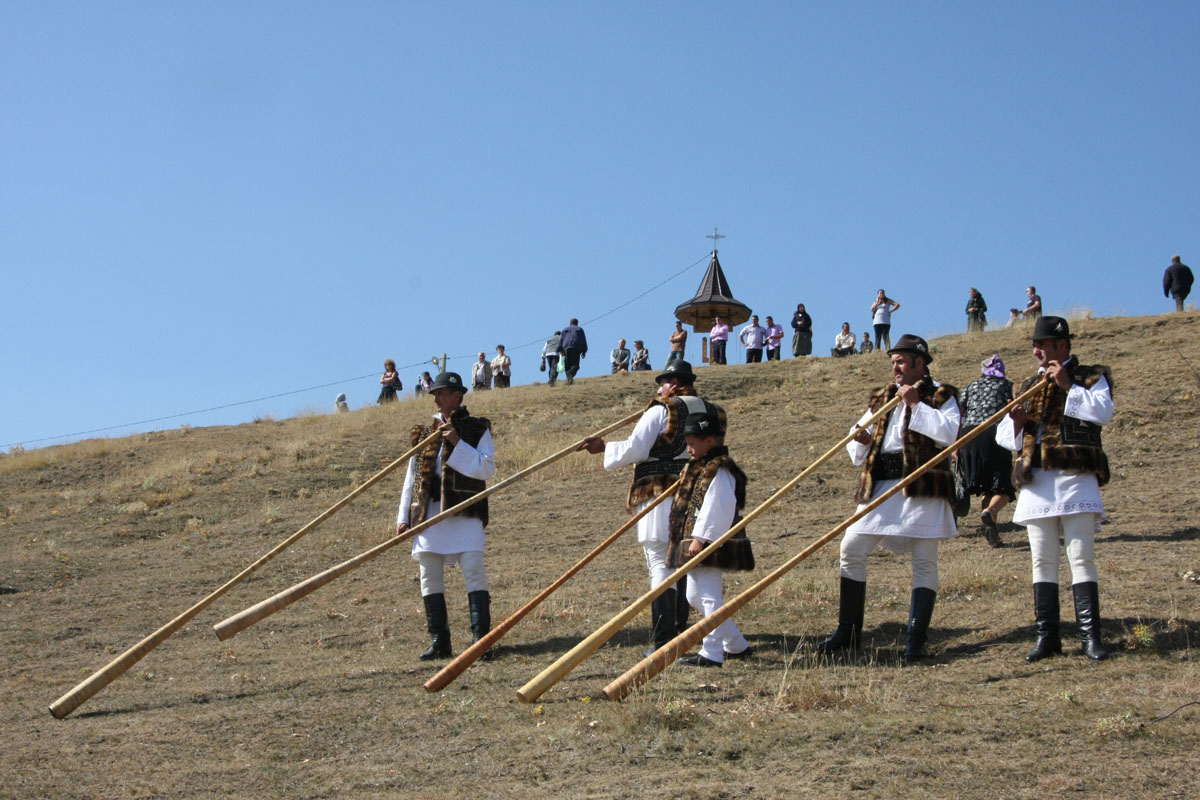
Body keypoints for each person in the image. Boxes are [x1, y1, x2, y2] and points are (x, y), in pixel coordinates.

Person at [815, 334, 960, 664]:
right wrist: (862, 439)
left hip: (921, 486)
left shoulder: (942, 394)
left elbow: (950, 434)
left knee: (924, 561)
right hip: (880, 484)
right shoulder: (881, 397)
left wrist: (914, 404)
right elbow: (855, 442)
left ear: (919, 363)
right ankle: (848, 632)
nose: (895, 367)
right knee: (851, 548)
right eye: (892, 361)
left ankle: (915, 640)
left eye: (900, 361)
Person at [996, 316, 1114, 662]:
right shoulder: (1026, 385)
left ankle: (1090, 637)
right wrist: (1016, 423)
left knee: (1081, 557)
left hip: (1077, 476)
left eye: (1043, 345)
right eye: (1035, 345)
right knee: (1042, 560)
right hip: (1037, 482)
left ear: (1062, 346)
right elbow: (1006, 438)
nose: (1037, 351)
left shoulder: (1091, 376)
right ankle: (1047, 636)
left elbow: (1103, 412)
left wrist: (1068, 387)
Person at [577, 361, 708, 654]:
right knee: (684, 558)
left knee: (659, 562)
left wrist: (604, 447)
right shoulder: (707, 410)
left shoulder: (661, 410)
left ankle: (664, 641)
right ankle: (680, 633)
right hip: (695, 494)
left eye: (661, 383)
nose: (658, 389)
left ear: (673, 384)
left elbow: (637, 448)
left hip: (660, 494)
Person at [395, 371, 497, 661]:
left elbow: (486, 469)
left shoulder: (477, 428)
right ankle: (440, 641)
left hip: (464, 511)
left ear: (457, 396)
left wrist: (457, 442)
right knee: (429, 574)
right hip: (428, 515)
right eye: (435, 394)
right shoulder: (423, 434)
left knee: (473, 570)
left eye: (442, 393)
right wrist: (404, 517)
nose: (437, 398)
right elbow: (411, 477)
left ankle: (481, 641)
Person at [668, 402, 754, 667]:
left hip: (710, 542)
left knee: (708, 596)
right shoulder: (698, 467)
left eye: (693, 443)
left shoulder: (720, 468)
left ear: (710, 440)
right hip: (696, 540)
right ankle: (736, 644)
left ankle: (712, 653)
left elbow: (718, 506)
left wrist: (701, 539)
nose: (689, 449)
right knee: (693, 596)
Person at [956, 355, 1015, 548]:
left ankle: (992, 529)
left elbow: (960, 413)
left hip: (969, 435)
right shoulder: (1007, 385)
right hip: (994, 432)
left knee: (985, 486)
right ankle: (990, 511)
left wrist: (956, 444)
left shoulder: (970, 386)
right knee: (1002, 484)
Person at [558, 318, 588, 385]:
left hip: (566, 348)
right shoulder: (579, 329)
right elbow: (583, 340)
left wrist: (560, 349)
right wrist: (584, 350)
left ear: (570, 323)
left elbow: (561, 340)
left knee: (567, 366)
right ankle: (570, 375)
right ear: (577, 323)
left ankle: (569, 381)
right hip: (576, 348)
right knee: (576, 365)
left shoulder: (564, 330)